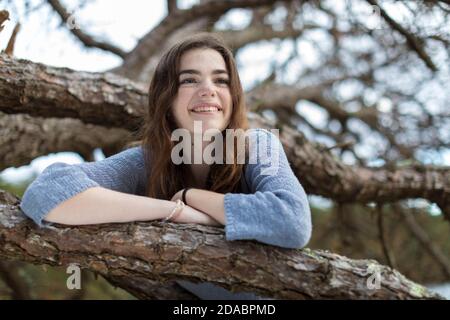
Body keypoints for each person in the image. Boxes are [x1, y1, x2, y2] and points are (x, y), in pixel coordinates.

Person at [20, 32, 312, 299]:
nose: (208, 89)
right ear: (167, 97)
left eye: (221, 80)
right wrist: (174, 211)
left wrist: (192, 198)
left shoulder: (258, 145)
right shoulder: (147, 161)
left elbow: (293, 221)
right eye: (189, 80)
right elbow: (48, 192)